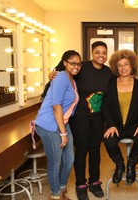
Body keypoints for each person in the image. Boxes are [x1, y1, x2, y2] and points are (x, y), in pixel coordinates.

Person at [68, 41, 113, 200]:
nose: (101, 55)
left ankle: (94, 182)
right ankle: (80, 184)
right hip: (80, 116)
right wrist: (50, 74)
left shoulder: (108, 72)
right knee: (81, 150)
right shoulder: (82, 67)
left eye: (104, 52)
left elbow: (122, 80)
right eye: (97, 52)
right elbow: (62, 70)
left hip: (98, 117)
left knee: (95, 150)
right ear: (92, 53)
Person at [35, 50, 81, 200]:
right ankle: (55, 196)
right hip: (49, 124)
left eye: (79, 64)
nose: (76, 66)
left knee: (69, 160)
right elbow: (56, 106)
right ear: (65, 62)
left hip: (62, 122)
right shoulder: (61, 76)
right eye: (73, 63)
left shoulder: (71, 79)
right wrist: (63, 133)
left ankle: (61, 190)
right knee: (55, 162)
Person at [102, 49, 138, 185]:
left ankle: (131, 165)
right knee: (108, 141)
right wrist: (110, 125)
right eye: (120, 65)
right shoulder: (110, 83)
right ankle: (120, 165)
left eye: (126, 64)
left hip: (134, 125)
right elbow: (105, 107)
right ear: (116, 67)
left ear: (131, 66)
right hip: (116, 125)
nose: (123, 68)